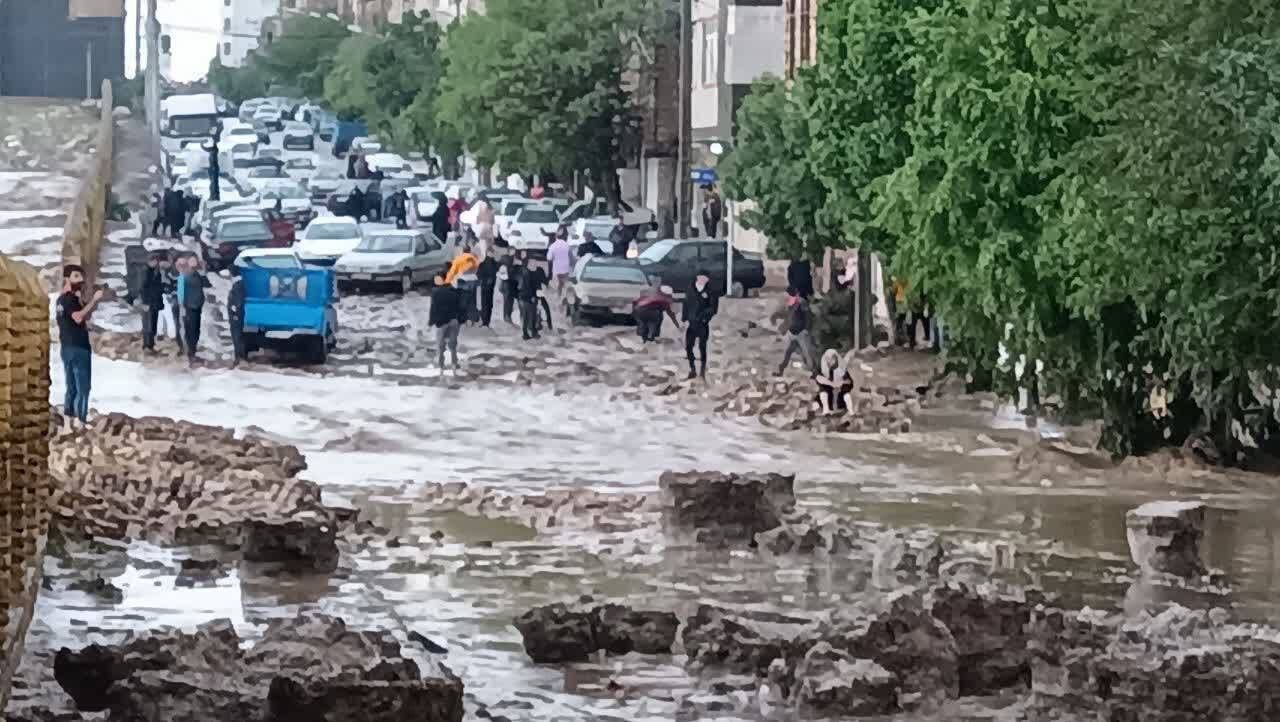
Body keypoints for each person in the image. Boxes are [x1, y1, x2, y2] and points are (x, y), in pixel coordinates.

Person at [57, 265, 102, 422]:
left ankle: (68, 420)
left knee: (71, 387)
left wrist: (88, 304)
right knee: (83, 387)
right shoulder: (69, 299)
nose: (80, 280)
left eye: (81, 276)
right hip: (78, 347)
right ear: (67, 279)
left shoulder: (62, 301)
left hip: (67, 347)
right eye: (76, 276)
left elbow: (83, 317)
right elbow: (78, 317)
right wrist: (94, 300)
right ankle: (80, 420)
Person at [682, 270, 718, 379]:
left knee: (702, 347)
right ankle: (692, 369)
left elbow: (713, 308)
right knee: (688, 347)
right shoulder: (690, 289)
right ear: (697, 277)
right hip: (691, 323)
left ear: (708, 279)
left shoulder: (711, 291)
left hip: (702, 324)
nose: (703, 279)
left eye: (705, 278)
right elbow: (686, 304)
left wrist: (705, 317)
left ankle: (702, 371)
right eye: (701, 277)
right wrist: (684, 318)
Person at [176, 255, 210, 364]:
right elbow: (180, 292)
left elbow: (207, 284)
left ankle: (193, 351)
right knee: (190, 330)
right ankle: (190, 353)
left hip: (197, 305)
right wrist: (182, 307)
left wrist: (204, 272)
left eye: (194, 261)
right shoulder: (183, 275)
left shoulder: (198, 274)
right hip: (188, 306)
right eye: (191, 261)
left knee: (196, 329)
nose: (193, 263)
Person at [777, 286, 818, 375]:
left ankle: (815, 373)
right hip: (793, 333)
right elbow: (789, 317)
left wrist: (806, 329)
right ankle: (781, 370)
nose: (787, 297)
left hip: (801, 333)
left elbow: (808, 316)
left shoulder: (801, 302)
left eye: (788, 295)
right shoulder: (790, 303)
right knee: (788, 352)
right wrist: (785, 327)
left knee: (807, 354)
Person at [429, 274, 462, 370]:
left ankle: (441, 363)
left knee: (440, 344)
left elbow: (433, 308)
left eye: (437, 280)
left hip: (441, 321)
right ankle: (454, 363)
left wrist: (431, 321)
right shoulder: (454, 292)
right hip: (453, 320)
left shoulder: (435, 293)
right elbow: (458, 307)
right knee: (453, 343)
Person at [813, 349, 854, 414]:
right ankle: (826, 411)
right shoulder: (822, 368)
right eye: (827, 359)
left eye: (831, 359)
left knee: (847, 395)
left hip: (840, 395)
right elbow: (818, 377)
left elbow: (849, 381)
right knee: (822, 393)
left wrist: (842, 382)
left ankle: (850, 411)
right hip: (827, 394)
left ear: (836, 358)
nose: (829, 361)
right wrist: (832, 384)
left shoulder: (842, 368)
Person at [139, 253, 165, 353]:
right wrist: (145, 302)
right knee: (147, 325)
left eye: (156, 261)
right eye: (153, 260)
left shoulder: (156, 271)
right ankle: (146, 345)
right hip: (148, 302)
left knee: (153, 324)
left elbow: (156, 286)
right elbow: (143, 288)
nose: (155, 262)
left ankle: (151, 345)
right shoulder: (145, 271)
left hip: (155, 302)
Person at [227, 268, 247, 367]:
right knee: (237, 336)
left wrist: (235, 314)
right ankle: (239, 357)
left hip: (236, 316)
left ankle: (239, 357)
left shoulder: (238, 285)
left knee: (237, 336)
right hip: (237, 315)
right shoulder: (238, 284)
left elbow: (238, 301)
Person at [546, 227, 573, 293]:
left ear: (556, 237)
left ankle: (558, 297)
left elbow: (549, 258)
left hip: (556, 270)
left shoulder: (553, 246)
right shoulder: (567, 245)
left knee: (558, 287)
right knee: (564, 285)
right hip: (565, 269)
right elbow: (571, 257)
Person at [477, 250, 499, 327]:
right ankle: (486, 321)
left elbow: (479, 275)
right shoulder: (494, 263)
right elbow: (479, 274)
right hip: (489, 286)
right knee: (488, 304)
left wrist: (485, 279)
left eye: (492, 253)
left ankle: (485, 321)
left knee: (486, 304)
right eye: (491, 253)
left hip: (486, 286)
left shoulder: (483, 264)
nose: (491, 254)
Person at [502, 251, 522, 324]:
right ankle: (507, 316)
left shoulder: (519, 262)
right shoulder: (505, 259)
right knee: (508, 301)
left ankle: (512, 316)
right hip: (507, 284)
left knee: (513, 301)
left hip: (515, 285)